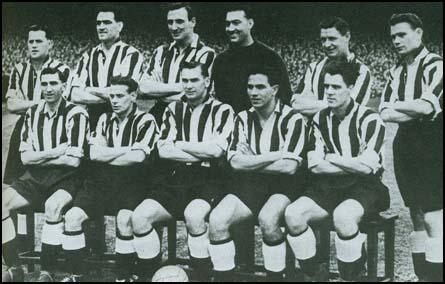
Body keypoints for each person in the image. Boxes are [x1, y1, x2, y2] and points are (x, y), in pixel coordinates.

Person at [285, 60, 389, 281]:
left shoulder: (370, 119)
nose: (329, 92)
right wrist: (349, 163)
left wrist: (333, 158)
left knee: (343, 216)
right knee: (293, 215)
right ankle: (315, 273)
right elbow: (315, 164)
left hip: (365, 187)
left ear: (350, 89)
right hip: (328, 186)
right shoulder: (319, 119)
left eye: (336, 87)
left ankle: (352, 276)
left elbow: (367, 167)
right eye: (326, 87)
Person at [131, 62, 234, 281]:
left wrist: (180, 143)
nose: (188, 85)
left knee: (194, 216)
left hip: (209, 179)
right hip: (176, 177)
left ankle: (203, 277)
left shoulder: (223, 110)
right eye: (184, 80)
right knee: (140, 217)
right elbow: (164, 150)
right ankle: (149, 276)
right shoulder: (173, 108)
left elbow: (217, 151)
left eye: (194, 80)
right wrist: (199, 152)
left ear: (207, 82)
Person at [208, 65, 306, 282]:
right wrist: (274, 155)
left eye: (260, 87)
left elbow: (289, 167)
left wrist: (252, 158)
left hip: (284, 185)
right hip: (250, 184)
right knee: (217, 220)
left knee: (268, 219)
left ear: (275, 89)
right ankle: (225, 279)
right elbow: (235, 163)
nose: (253, 92)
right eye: (250, 87)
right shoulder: (242, 118)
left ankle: (275, 278)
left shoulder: (293, 119)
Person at [59, 76, 158, 282]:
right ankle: (77, 275)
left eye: (120, 96)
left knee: (124, 219)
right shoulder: (104, 119)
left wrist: (109, 153)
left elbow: (137, 158)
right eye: (111, 95)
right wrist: (126, 150)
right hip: (102, 181)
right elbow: (94, 154)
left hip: (134, 182)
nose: (114, 100)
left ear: (133, 96)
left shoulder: (146, 120)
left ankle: (123, 277)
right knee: (72, 218)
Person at [2, 67, 89, 282]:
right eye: (44, 83)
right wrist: (57, 150)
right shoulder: (32, 113)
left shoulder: (76, 114)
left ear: (63, 86)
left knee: (53, 207)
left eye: (53, 83)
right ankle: (16, 267)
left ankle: (47, 271)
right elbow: (25, 159)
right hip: (35, 176)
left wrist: (40, 156)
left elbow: (73, 160)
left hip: (67, 177)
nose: (48, 88)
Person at [379, 13, 443, 282]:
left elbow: (427, 106)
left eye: (402, 34)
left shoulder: (436, 65)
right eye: (393, 36)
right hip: (404, 146)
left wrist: (403, 107)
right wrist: (412, 109)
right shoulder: (396, 70)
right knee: (416, 215)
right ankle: (423, 276)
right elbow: (384, 111)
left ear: (419, 33)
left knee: (434, 218)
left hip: (433, 144)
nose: (396, 40)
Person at [4, 24, 71, 185]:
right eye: (31, 41)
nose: (34, 45)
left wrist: (25, 103)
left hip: (55, 124)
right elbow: (12, 105)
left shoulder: (62, 69)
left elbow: (64, 101)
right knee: (16, 181)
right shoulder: (19, 69)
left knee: (50, 177)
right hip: (25, 124)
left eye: (39, 41)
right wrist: (43, 102)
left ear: (50, 44)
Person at [138, 3, 216, 126]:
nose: (174, 27)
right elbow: (143, 88)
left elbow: (193, 96)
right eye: (170, 22)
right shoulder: (161, 52)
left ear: (193, 22)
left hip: (191, 118)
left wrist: (159, 90)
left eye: (179, 21)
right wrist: (180, 86)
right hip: (159, 116)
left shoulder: (206, 53)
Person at [69, 5, 143, 130]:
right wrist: (111, 95)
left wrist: (89, 89)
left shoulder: (131, 54)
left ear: (119, 26)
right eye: (98, 23)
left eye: (107, 22)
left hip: (123, 121)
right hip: (92, 121)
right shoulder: (88, 56)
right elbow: (75, 95)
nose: (101, 27)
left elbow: (125, 92)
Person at [211, 4, 293, 113]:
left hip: (264, 125)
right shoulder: (220, 61)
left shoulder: (270, 57)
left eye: (236, 23)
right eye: (227, 24)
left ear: (250, 23)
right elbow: (222, 99)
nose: (230, 29)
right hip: (232, 124)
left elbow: (285, 96)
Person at [291, 16, 372, 117]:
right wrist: (334, 104)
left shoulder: (362, 71)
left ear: (347, 36)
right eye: (323, 40)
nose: (327, 44)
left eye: (332, 39)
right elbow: (295, 103)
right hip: (314, 132)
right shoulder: (314, 68)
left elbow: (348, 110)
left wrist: (311, 103)